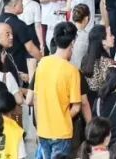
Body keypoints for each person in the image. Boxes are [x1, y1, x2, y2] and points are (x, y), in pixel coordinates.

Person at [34, 21, 84, 159]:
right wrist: (62, 117)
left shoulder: (42, 63)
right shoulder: (72, 71)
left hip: (43, 130)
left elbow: (36, 98)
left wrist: (39, 124)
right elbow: (76, 107)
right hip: (61, 132)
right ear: (72, 42)